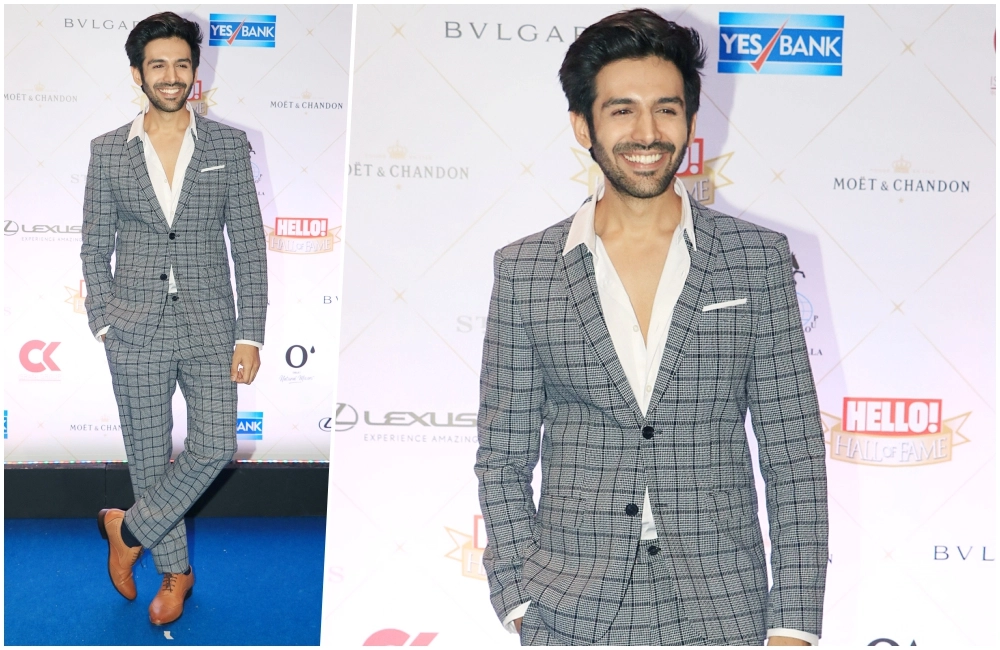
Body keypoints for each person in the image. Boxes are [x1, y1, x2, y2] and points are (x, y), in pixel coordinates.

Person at [474, 9, 827, 646]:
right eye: (622, 110)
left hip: (723, 608)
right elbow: (503, 453)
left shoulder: (756, 259)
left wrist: (795, 623)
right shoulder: (526, 269)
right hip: (569, 611)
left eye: (667, 109)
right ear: (583, 124)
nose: (648, 132)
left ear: (690, 120)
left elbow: (793, 451)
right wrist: (519, 598)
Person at [81, 12, 267, 625]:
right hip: (132, 327)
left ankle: (127, 530)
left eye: (182, 64)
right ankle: (175, 571)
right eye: (158, 64)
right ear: (138, 73)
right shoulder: (108, 150)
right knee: (147, 456)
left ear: (194, 71)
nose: (171, 75)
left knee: (215, 445)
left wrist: (250, 333)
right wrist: (103, 320)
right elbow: (94, 245)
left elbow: (248, 245)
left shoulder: (227, 145)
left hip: (212, 326)